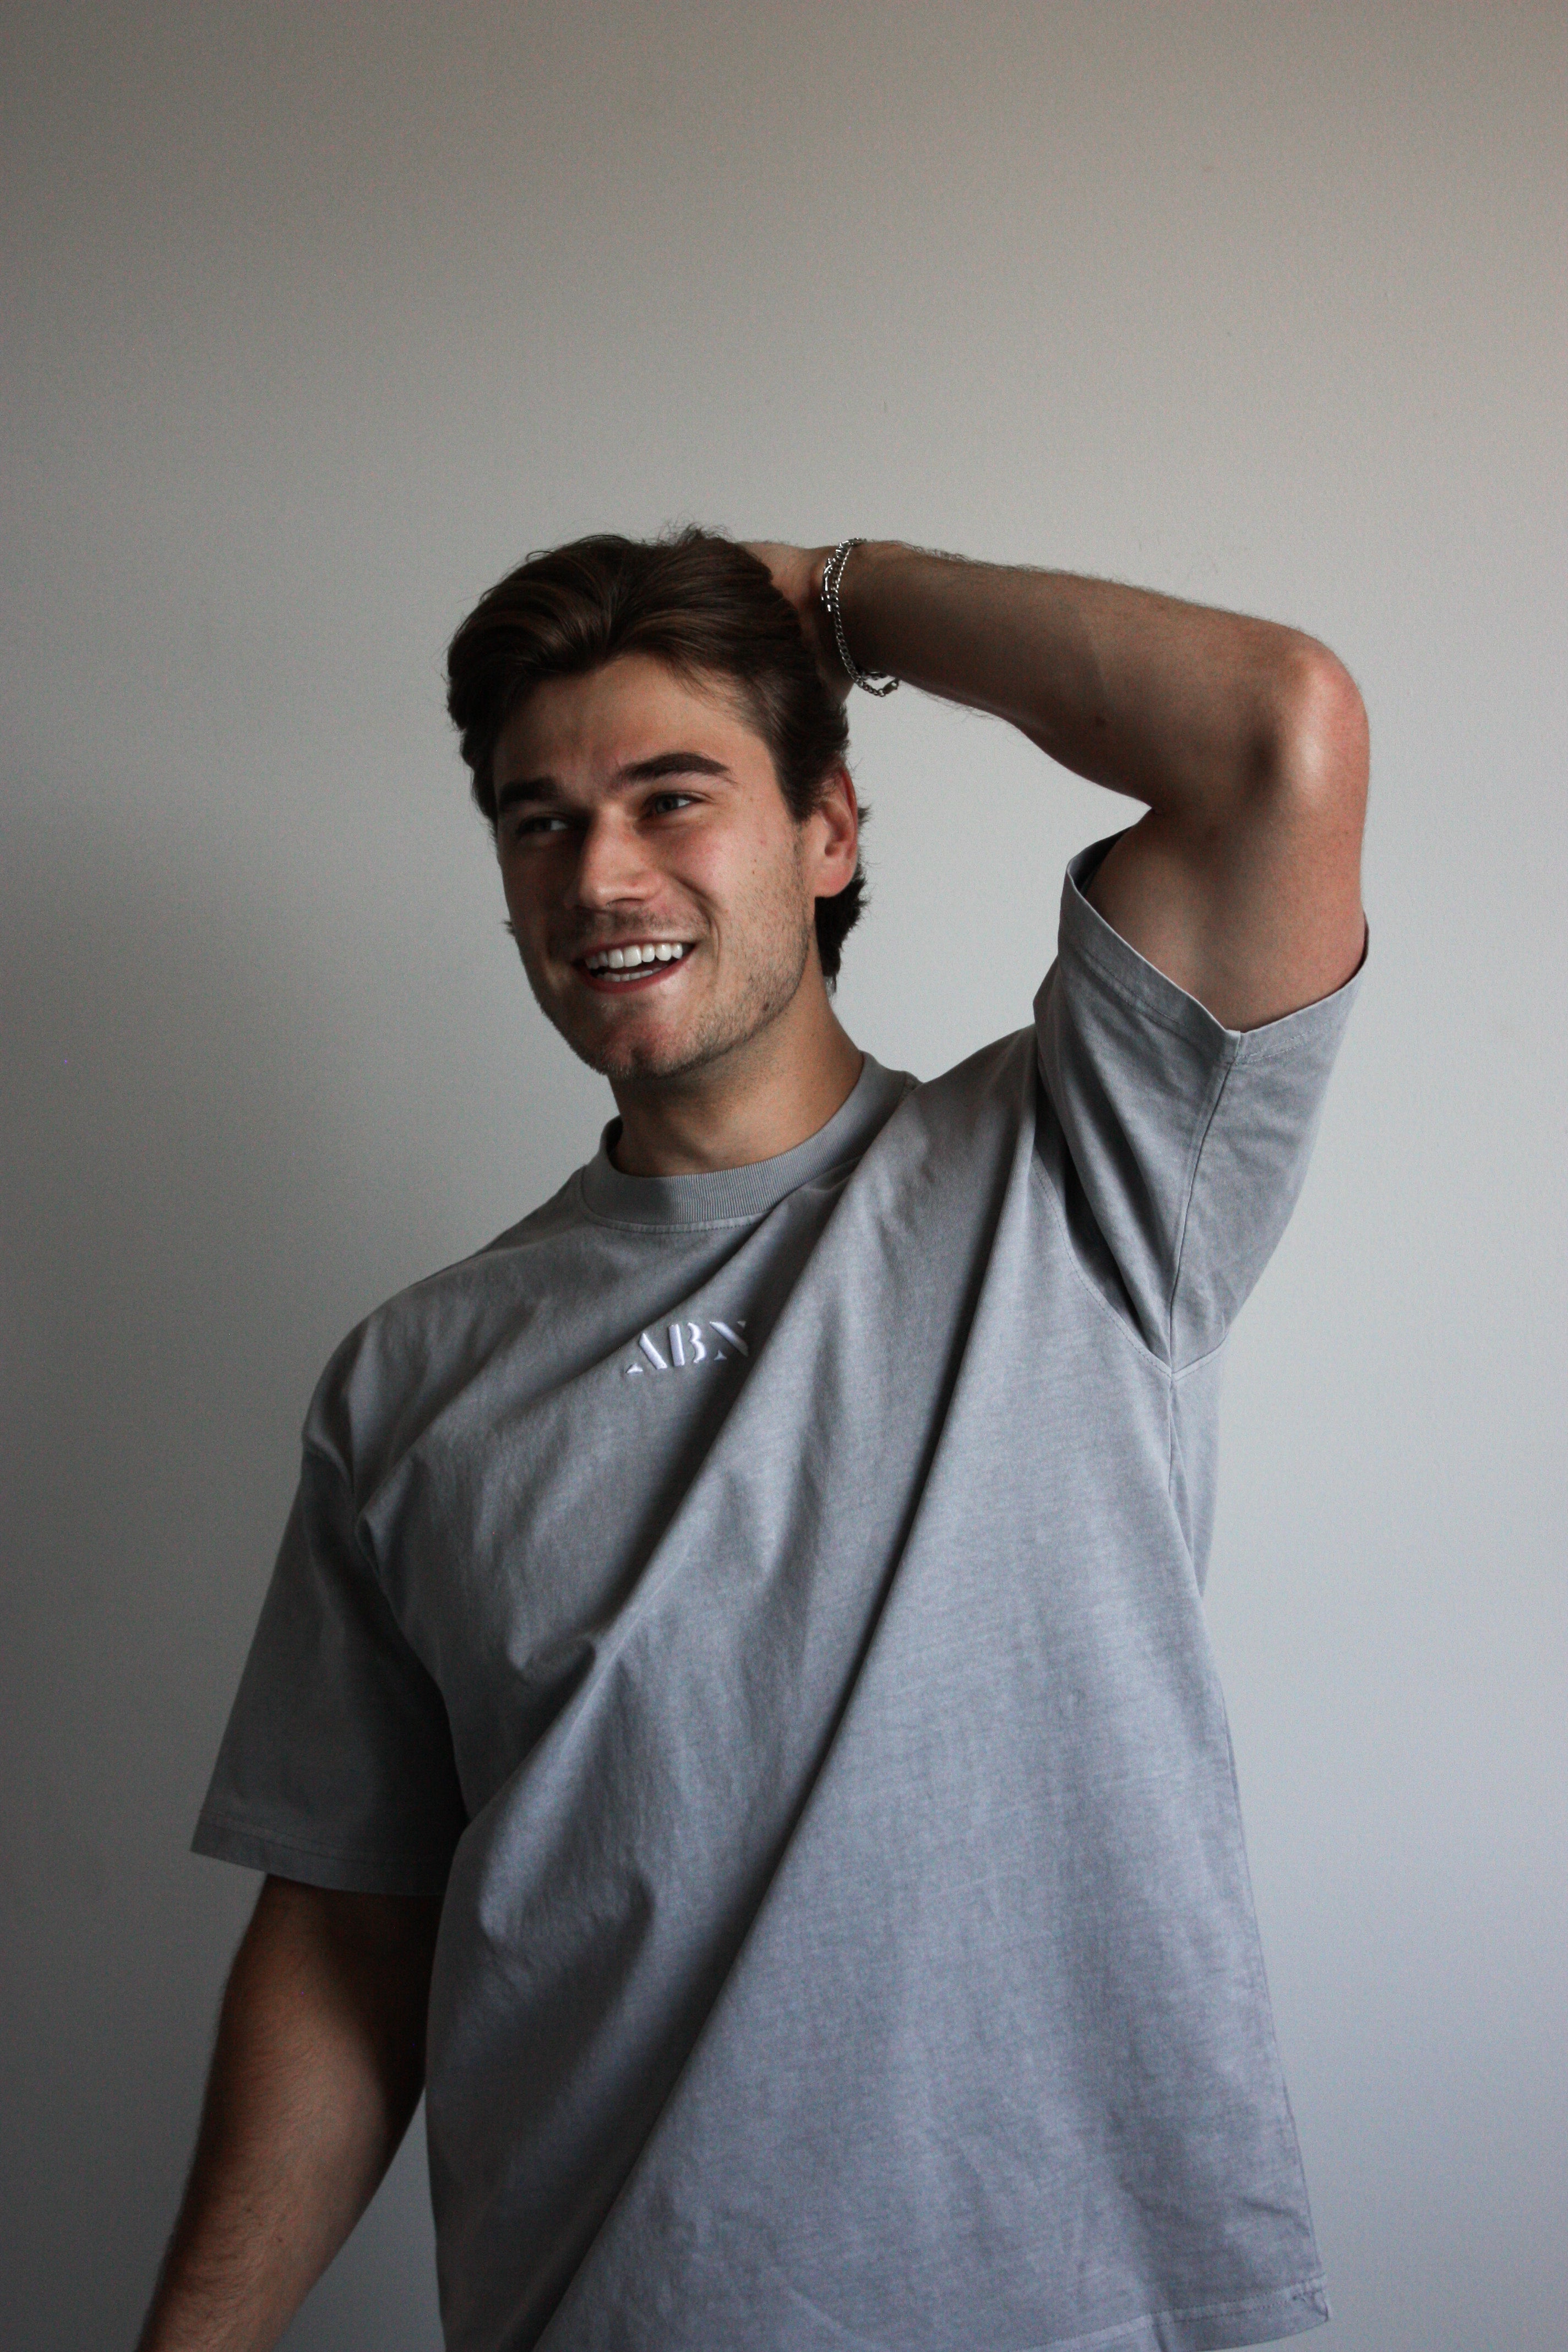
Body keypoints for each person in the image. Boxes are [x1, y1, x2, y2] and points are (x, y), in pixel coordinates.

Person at [139, 531, 1369, 2352]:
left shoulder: (1087, 1172)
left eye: (672, 795)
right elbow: (346, 1939)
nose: (599, 873)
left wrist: (837, 597)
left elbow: (1281, 732)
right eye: (540, 821)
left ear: (830, 830)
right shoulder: (411, 1383)